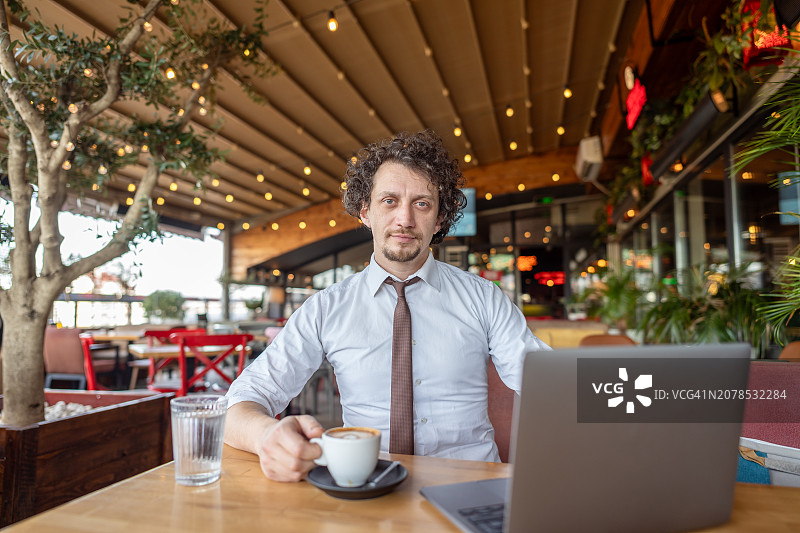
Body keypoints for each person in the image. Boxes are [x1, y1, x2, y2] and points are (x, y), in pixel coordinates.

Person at [224, 130, 550, 482]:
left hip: (470, 487)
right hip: (365, 487)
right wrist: (266, 436)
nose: (405, 219)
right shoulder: (326, 308)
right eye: (389, 201)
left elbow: (549, 383)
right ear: (366, 212)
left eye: (422, 203)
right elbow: (241, 402)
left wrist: (616, 399)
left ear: (440, 218)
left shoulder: (484, 298)